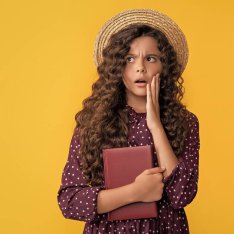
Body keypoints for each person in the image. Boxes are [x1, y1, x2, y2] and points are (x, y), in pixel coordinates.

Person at [57, 9, 200, 234]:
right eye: (129, 58)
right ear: (117, 67)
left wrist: (156, 126)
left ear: (165, 66)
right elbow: (70, 201)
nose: (140, 67)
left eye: (151, 58)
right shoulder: (92, 122)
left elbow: (182, 194)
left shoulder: (185, 122)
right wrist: (136, 192)